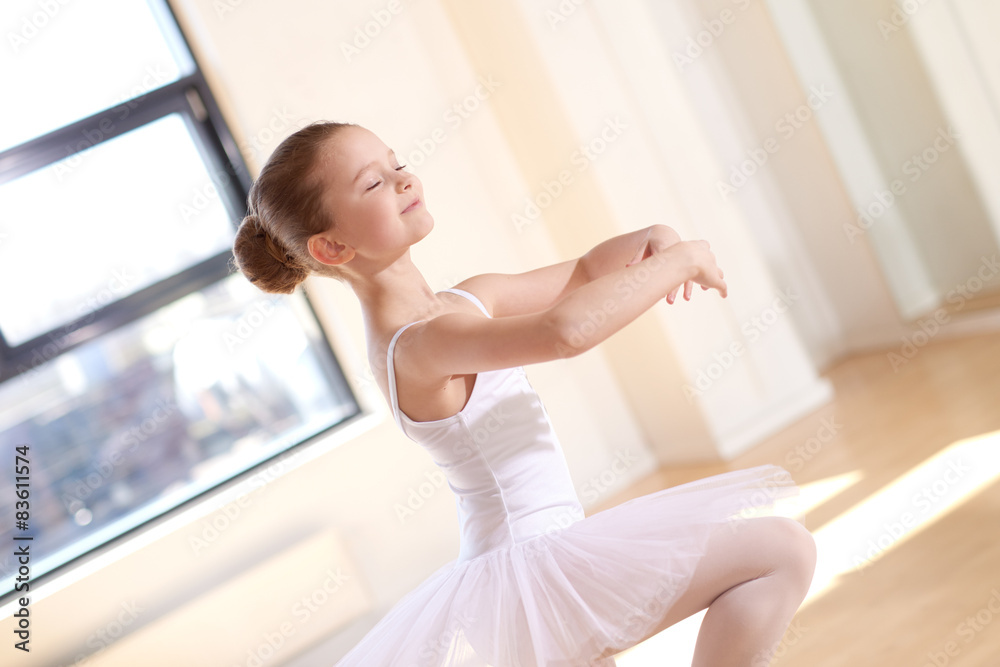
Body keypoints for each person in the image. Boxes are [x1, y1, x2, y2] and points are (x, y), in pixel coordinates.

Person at [231, 121, 817, 667]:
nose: (404, 178)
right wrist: (681, 261)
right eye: (375, 183)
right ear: (331, 248)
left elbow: (587, 273)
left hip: (542, 570)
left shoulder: (464, 303)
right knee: (780, 551)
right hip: (532, 573)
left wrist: (653, 242)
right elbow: (563, 332)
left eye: (397, 163)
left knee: (778, 552)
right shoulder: (416, 346)